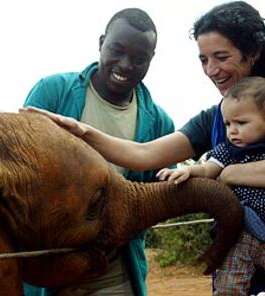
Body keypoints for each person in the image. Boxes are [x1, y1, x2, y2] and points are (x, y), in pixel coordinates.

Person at [24, 1, 265, 293]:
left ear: (253, 52)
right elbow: (144, 154)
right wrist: (84, 132)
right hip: (237, 263)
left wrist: (227, 174)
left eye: (221, 56)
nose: (211, 69)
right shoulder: (217, 116)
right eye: (204, 59)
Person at [22, 8, 175, 296]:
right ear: (101, 42)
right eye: (117, 50)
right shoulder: (53, 92)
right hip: (48, 270)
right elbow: (20, 172)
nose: (126, 65)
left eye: (139, 58)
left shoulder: (160, 122)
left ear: (151, 59)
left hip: (115, 273)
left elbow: (161, 195)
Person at [157, 76, 265, 294]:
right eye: (228, 123)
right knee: (227, 285)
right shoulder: (229, 150)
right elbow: (208, 170)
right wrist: (187, 170)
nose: (232, 131)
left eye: (241, 123)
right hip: (244, 233)